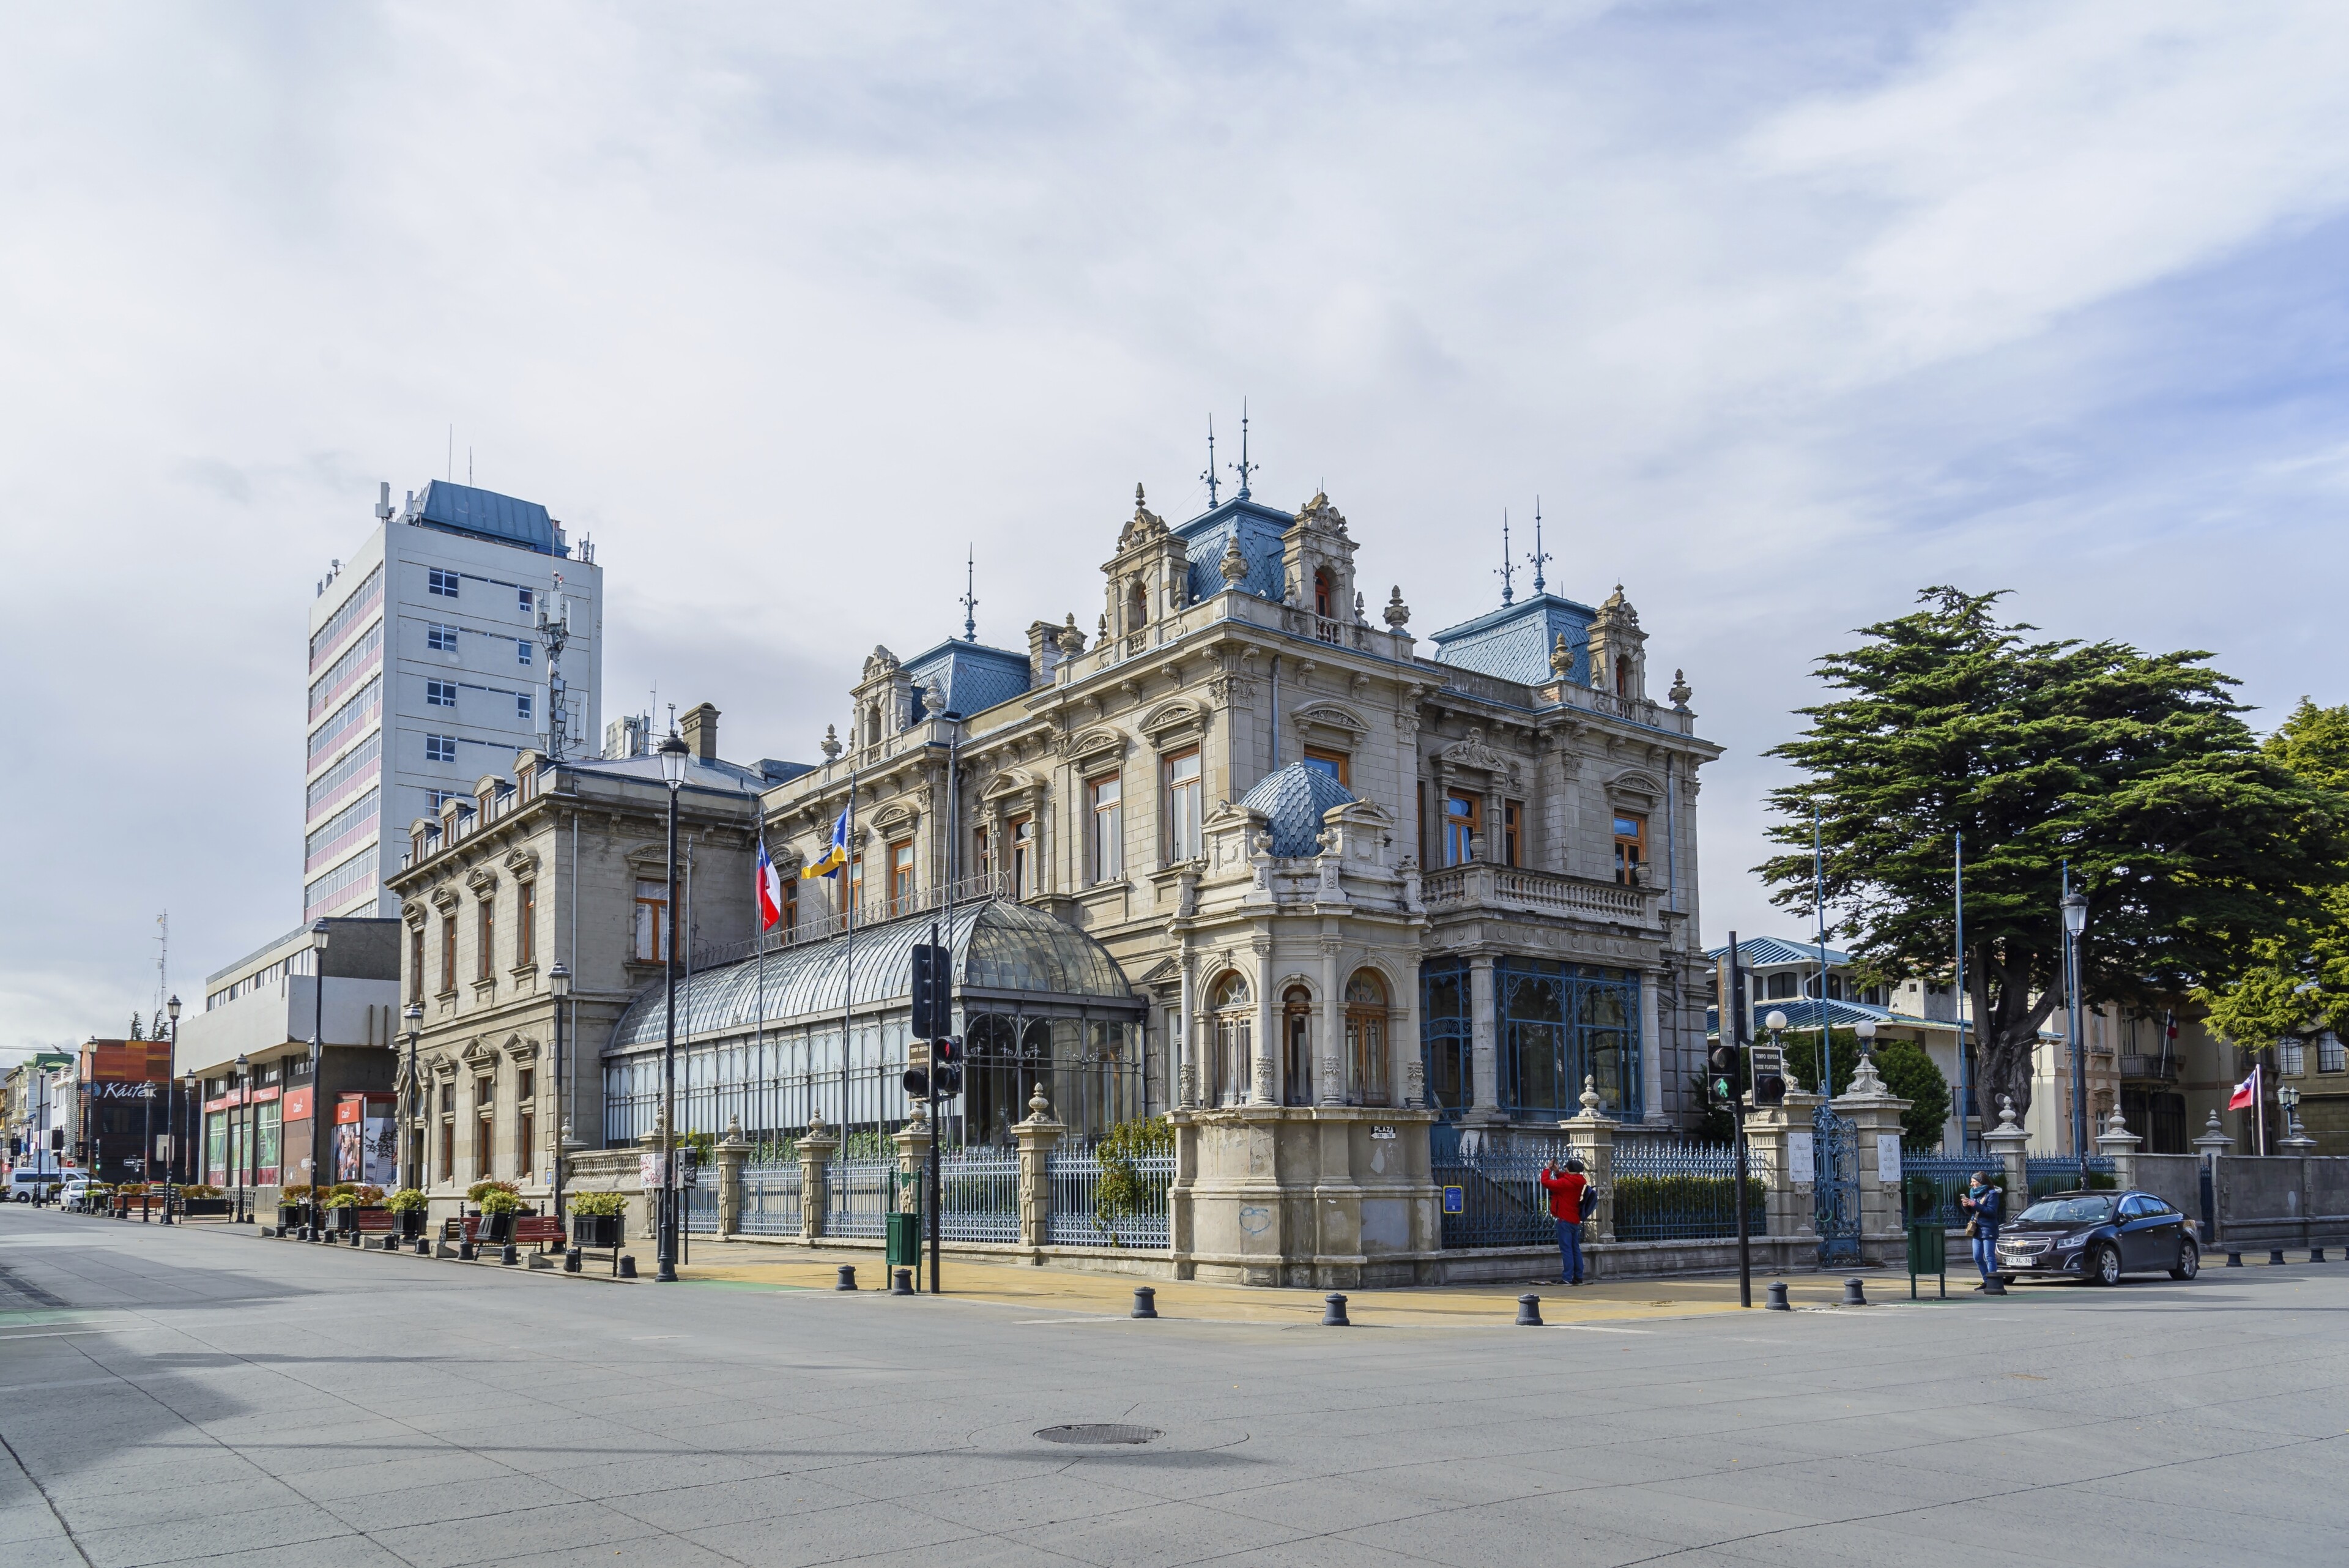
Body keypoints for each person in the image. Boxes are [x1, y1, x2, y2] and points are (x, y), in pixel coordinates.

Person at [1538, 1157, 1590, 1285]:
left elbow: (1545, 1182)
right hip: (1574, 1220)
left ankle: (1567, 1277)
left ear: (1571, 1172)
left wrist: (1547, 1169)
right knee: (1575, 1249)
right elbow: (1565, 1178)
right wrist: (1557, 1172)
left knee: (1566, 1249)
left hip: (1564, 1220)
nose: (1564, 1171)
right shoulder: (1578, 1181)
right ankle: (1578, 1277)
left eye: (1566, 1170)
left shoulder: (1566, 1184)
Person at [1959, 1170, 2004, 1288]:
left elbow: (1991, 1212)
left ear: (1981, 1182)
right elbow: (1972, 1213)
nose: (1972, 1184)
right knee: (1977, 1257)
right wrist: (1966, 1206)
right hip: (1976, 1229)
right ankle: (1986, 1281)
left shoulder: (1992, 1194)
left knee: (1989, 1256)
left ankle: (1993, 1282)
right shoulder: (1973, 1193)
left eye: (1974, 1181)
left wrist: (1974, 1204)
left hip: (1989, 1228)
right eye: (1972, 1182)